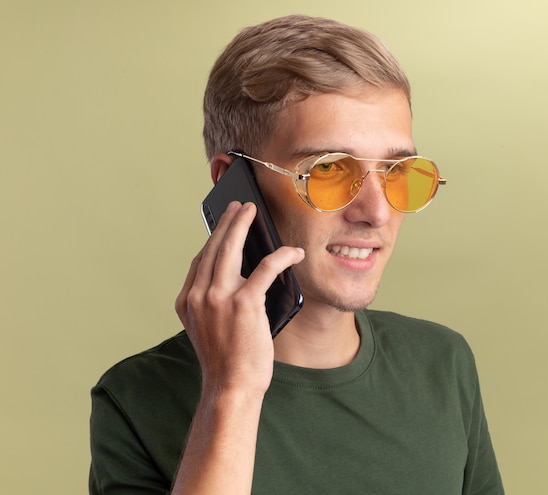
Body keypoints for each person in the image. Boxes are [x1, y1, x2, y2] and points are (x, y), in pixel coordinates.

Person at [89, 14, 504, 495]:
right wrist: (232, 393)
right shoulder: (136, 398)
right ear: (232, 184)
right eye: (328, 169)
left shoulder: (442, 364)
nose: (376, 212)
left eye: (397, 171)